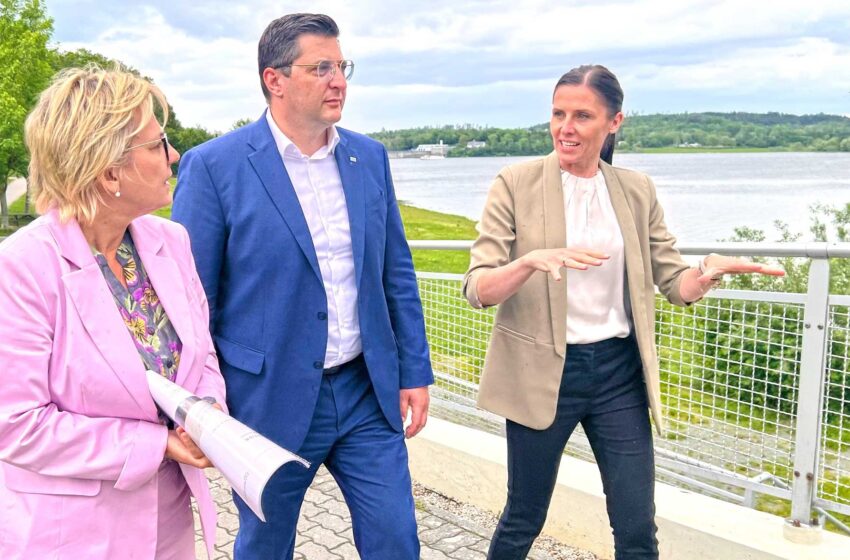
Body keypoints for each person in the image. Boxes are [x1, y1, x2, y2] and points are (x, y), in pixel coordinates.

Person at [463, 64, 785, 560]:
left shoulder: (636, 190)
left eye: (581, 116)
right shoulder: (515, 182)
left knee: (637, 529)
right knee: (524, 516)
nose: (565, 128)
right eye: (557, 114)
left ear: (614, 122)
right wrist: (529, 262)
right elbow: (477, 288)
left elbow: (674, 282)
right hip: (542, 374)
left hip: (617, 375)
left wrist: (706, 271)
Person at [171, 13, 434, 560]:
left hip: (365, 391)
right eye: (321, 67)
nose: (339, 80)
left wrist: (413, 371)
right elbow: (192, 302)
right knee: (266, 545)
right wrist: (201, 402)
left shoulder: (369, 157)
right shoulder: (215, 167)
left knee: (396, 540)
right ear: (276, 79)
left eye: (342, 67)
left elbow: (396, 274)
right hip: (268, 400)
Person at [0, 66, 226, 559]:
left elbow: (201, 355)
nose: (174, 156)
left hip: (168, 522)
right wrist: (157, 445)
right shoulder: (20, 268)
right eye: (157, 144)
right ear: (108, 172)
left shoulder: (172, 242)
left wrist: (207, 413)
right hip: (70, 535)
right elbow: (15, 424)